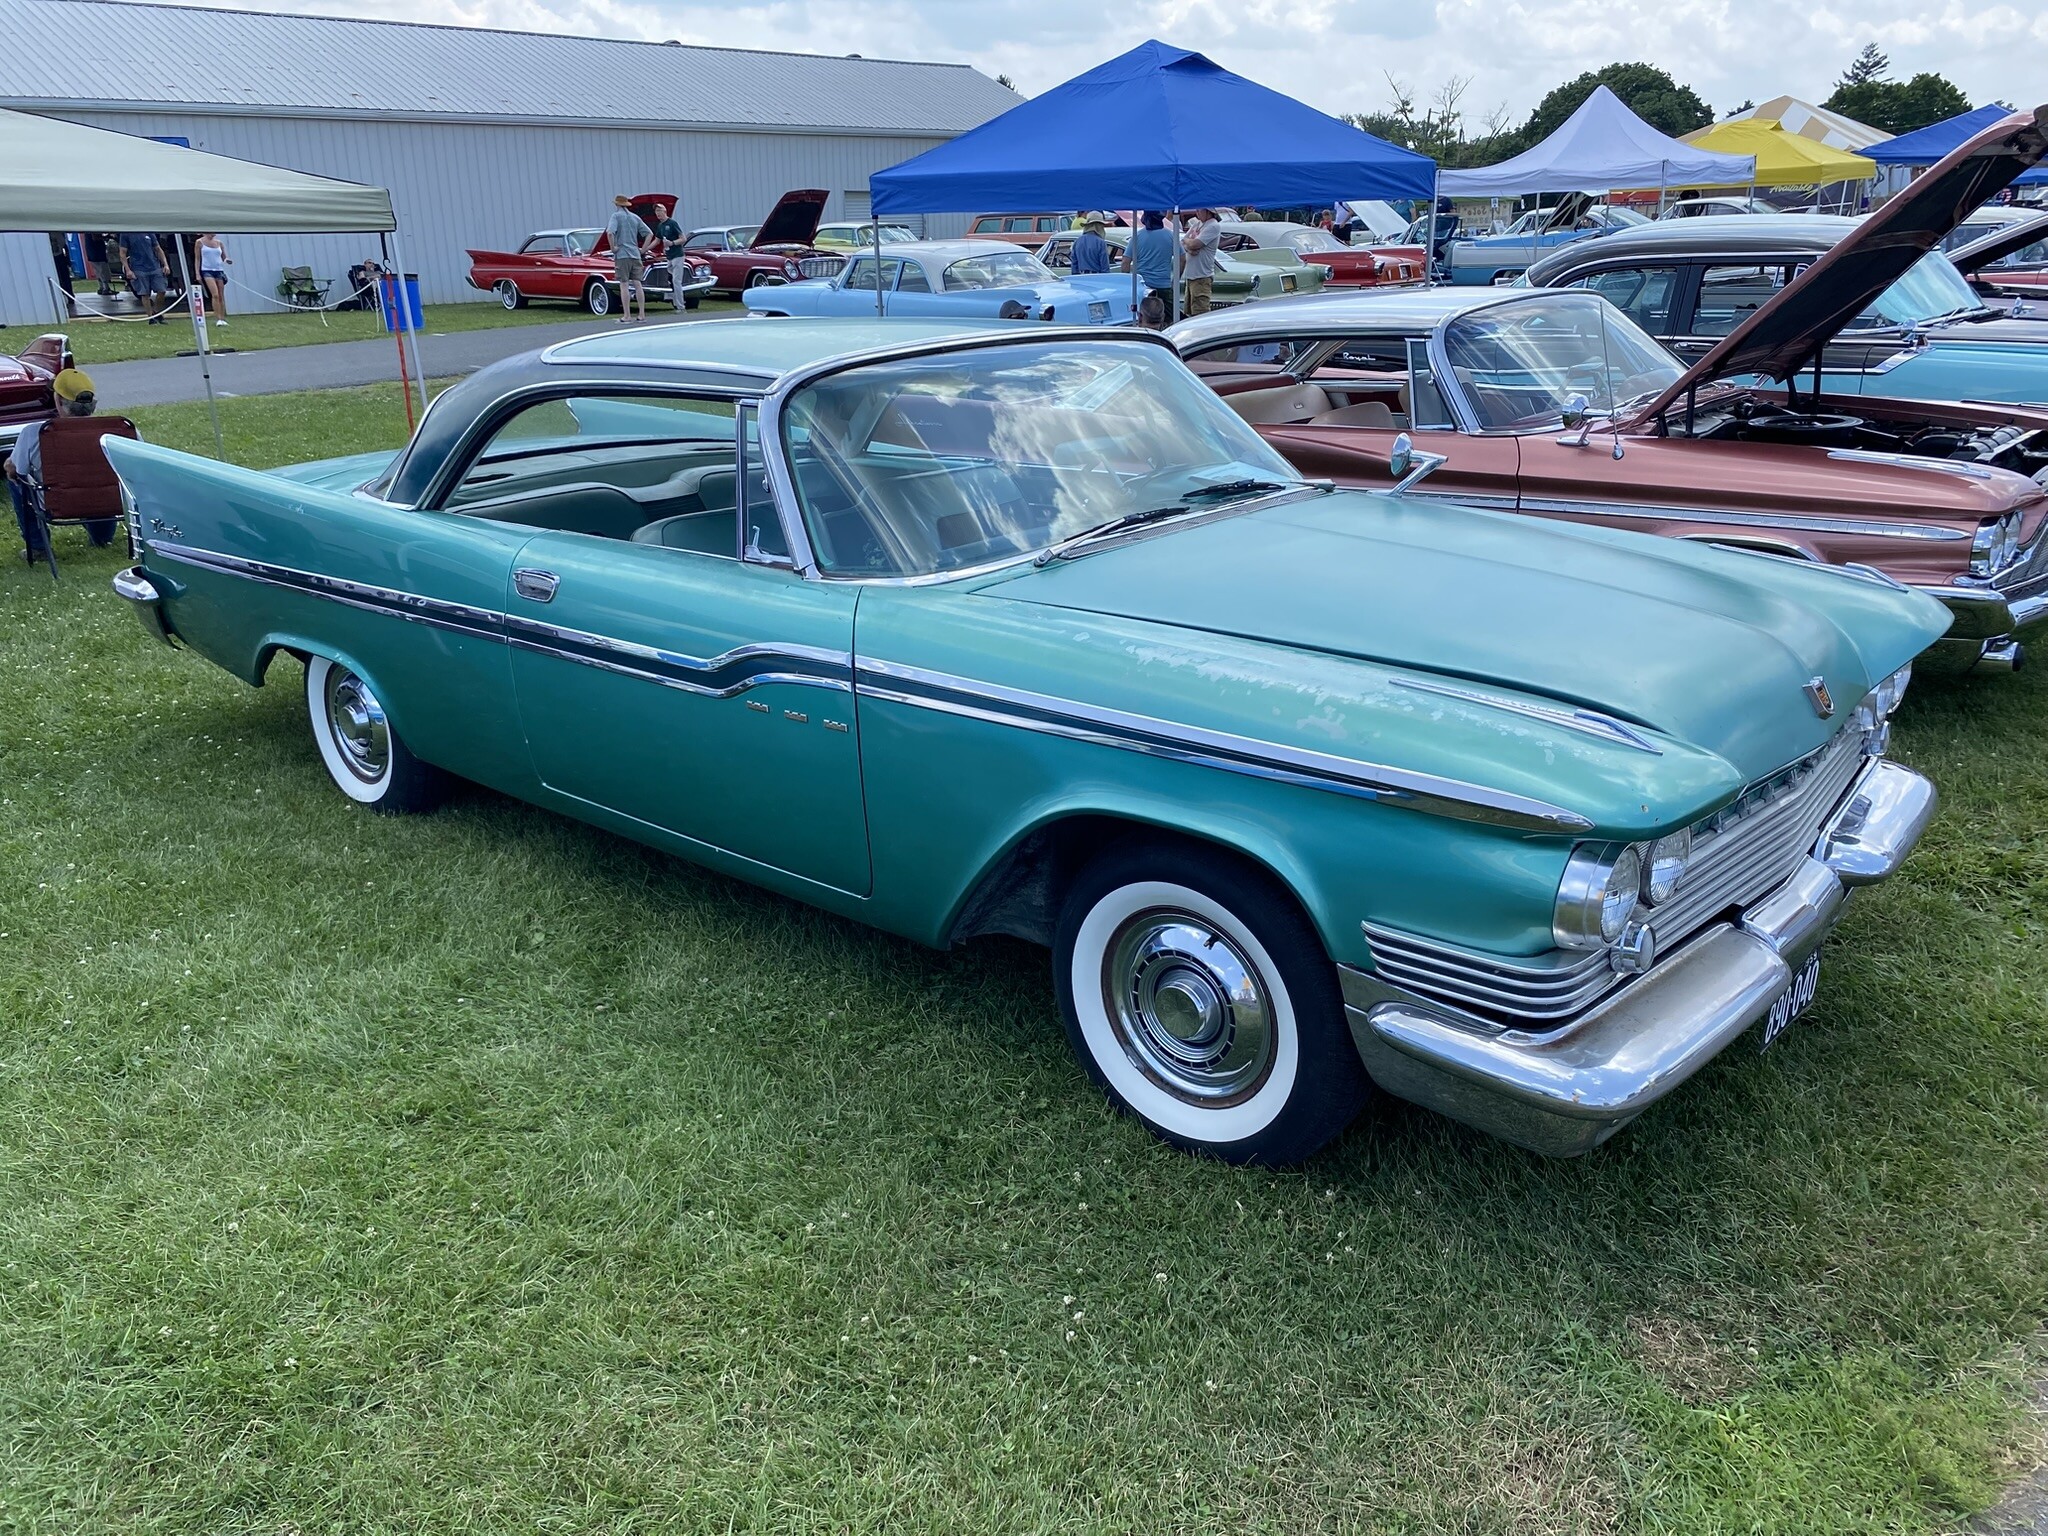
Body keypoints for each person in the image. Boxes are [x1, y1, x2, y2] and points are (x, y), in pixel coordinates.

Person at [5, 368, 114, 561]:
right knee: (99, 482)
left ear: (58, 400)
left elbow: (16, 471)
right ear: (93, 403)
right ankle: (102, 538)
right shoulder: (119, 430)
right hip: (106, 500)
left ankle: (39, 548)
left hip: (56, 502)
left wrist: (10, 464)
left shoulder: (35, 433)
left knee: (16, 481)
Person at [1121, 211, 1176, 328]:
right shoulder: (1170, 235)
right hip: (1164, 285)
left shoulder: (1137, 236)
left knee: (1142, 320)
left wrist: (1128, 285)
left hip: (1143, 287)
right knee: (1170, 323)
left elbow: (1125, 262)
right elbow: (1182, 259)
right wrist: (1175, 280)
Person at [604, 195, 653, 323]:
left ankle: (627, 315)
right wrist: (643, 250)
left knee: (624, 284)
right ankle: (641, 314)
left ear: (616, 204)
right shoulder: (635, 217)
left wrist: (613, 247)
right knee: (637, 284)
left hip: (622, 255)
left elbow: (610, 233)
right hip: (635, 254)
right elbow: (649, 234)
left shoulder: (616, 216)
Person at [119, 232, 170, 322]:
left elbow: (158, 249)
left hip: (154, 266)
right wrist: (128, 270)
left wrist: (165, 265)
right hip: (138, 268)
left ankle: (156, 312)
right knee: (144, 293)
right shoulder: (126, 234)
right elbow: (122, 252)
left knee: (162, 290)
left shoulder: (149, 232)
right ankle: (150, 317)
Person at [1181, 206, 1222, 316]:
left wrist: (1189, 244)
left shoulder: (1213, 226)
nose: (1197, 212)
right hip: (1191, 275)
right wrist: (1189, 248)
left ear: (1208, 211)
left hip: (1202, 276)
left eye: (1199, 209)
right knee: (1188, 312)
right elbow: (1183, 241)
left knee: (1200, 311)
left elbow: (1195, 244)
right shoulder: (1197, 224)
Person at [197, 233, 230, 323]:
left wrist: (227, 260)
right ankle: (218, 318)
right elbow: (197, 259)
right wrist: (197, 273)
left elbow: (224, 257)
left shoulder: (219, 243)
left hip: (219, 270)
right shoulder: (199, 242)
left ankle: (222, 318)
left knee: (221, 295)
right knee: (215, 295)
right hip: (207, 270)